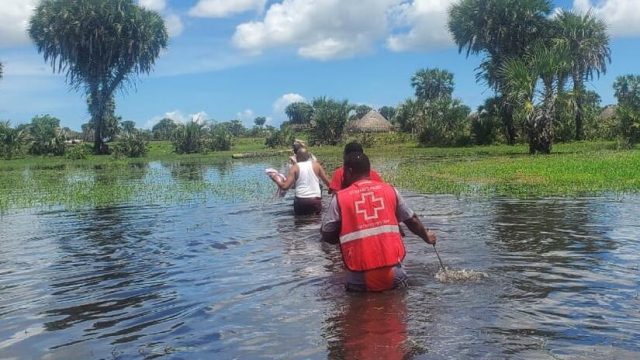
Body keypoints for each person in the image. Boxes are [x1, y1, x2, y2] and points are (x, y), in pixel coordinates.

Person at [321, 152, 437, 292]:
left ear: (349, 171)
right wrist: (427, 236)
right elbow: (411, 220)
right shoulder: (390, 190)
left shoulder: (340, 198)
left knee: (357, 310)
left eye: (344, 172)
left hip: (359, 276)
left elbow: (327, 233)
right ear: (368, 170)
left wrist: (343, 228)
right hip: (393, 272)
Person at [270, 148, 331, 215]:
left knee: (300, 223)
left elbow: (285, 187)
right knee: (316, 222)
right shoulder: (316, 165)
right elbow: (329, 184)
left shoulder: (295, 167)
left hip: (300, 201)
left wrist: (275, 178)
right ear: (308, 157)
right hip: (315, 200)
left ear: (297, 157)